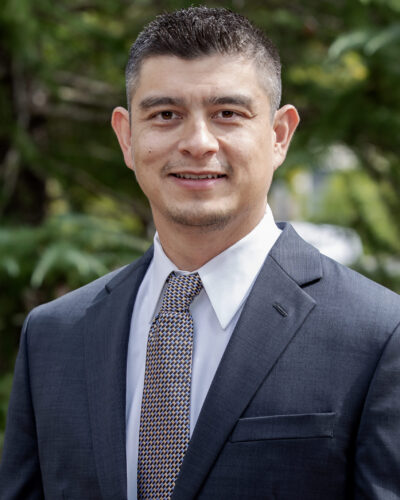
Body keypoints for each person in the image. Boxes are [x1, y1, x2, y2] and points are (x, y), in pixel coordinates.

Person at [1, 6, 399, 500]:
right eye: (166, 115)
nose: (197, 142)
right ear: (127, 136)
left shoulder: (379, 334)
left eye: (227, 114)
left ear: (279, 135)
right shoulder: (54, 337)